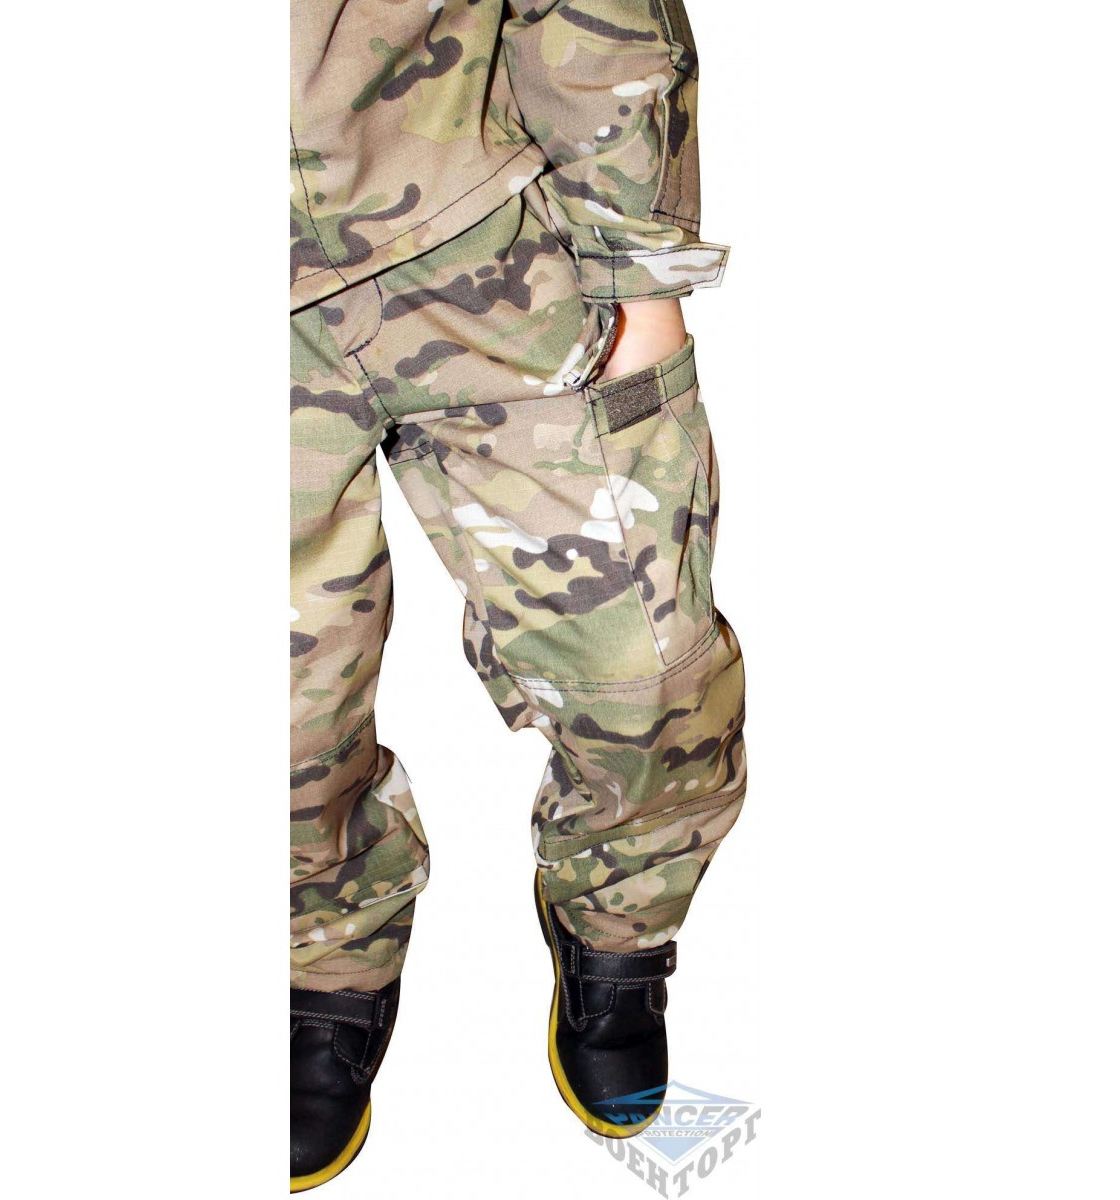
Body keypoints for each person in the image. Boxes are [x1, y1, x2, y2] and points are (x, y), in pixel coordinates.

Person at [290, 1, 747, 1188]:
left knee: (642, 665)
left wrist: (638, 266)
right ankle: (323, 955)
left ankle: (617, 923)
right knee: (281, 724)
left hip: (477, 219)